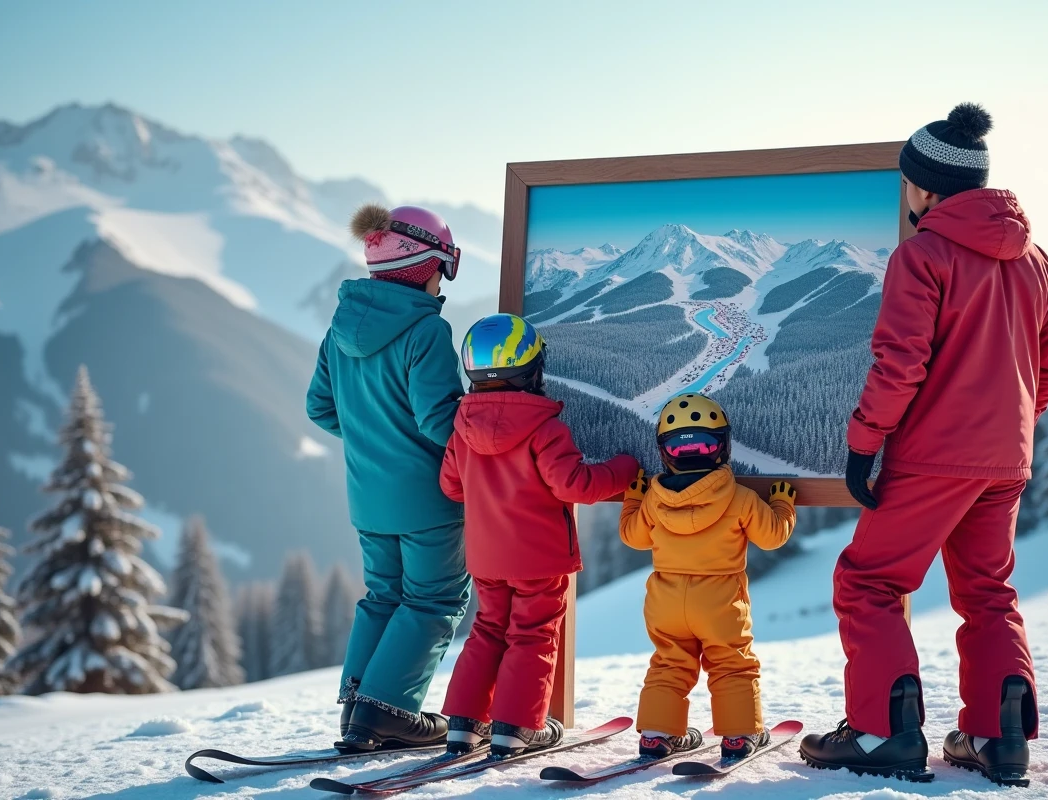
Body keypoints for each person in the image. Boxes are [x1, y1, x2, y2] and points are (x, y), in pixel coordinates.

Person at [799, 103, 1048, 786]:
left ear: (923, 187)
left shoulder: (923, 255)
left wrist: (865, 443)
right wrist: (1006, 430)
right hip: (1005, 458)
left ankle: (879, 733)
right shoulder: (1034, 258)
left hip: (932, 456)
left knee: (868, 581)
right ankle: (996, 736)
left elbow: (900, 364)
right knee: (987, 591)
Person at [306, 203, 472, 750]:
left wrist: (372, 437)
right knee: (433, 600)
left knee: (384, 597)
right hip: (428, 499)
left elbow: (321, 409)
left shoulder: (341, 328)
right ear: (429, 265)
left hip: (367, 498)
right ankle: (387, 712)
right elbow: (439, 421)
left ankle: (358, 706)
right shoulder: (426, 330)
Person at [438, 313, 639, 756]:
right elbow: (576, 486)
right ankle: (516, 728)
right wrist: (626, 468)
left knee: (488, 630)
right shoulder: (544, 429)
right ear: (533, 371)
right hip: (540, 559)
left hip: (487, 559)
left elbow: (451, 486)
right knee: (532, 635)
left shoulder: (463, 429)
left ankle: (463, 725)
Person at [620, 394, 796, 760]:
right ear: (723, 447)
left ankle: (656, 735)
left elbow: (634, 537)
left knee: (669, 663)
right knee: (732, 663)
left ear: (665, 453)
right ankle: (738, 736)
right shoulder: (741, 498)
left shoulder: (654, 499)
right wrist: (783, 503)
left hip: (666, 601)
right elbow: (773, 535)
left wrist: (632, 502)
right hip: (719, 602)